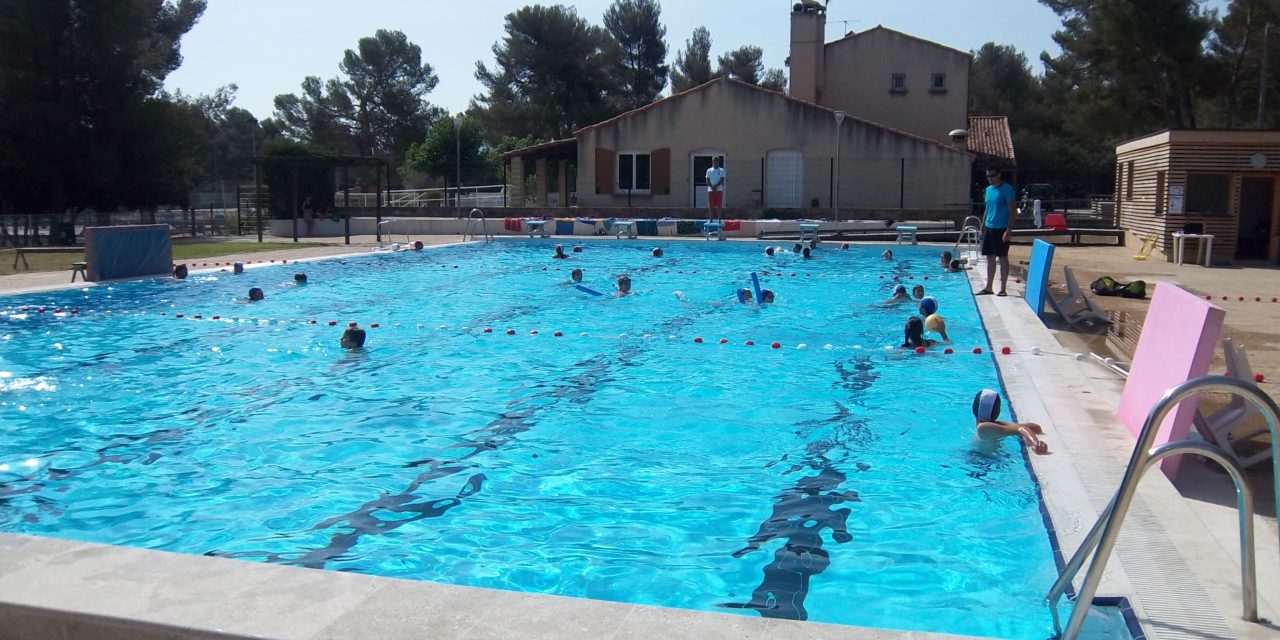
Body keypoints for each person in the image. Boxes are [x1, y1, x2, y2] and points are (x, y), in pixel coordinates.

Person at [978, 167, 1017, 296]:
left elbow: (1012, 212)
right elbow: (987, 209)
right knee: (990, 258)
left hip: (1002, 228)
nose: (990, 178)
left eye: (992, 175)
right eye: (988, 176)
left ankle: (1003, 288)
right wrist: (982, 227)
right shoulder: (989, 190)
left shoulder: (1007, 189)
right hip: (989, 227)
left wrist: (1008, 230)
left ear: (999, 174)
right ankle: (989, 287)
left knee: (1002, 258)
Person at [972, 389, 1048, 455]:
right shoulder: (996, 425)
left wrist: (1035, 442)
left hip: (984, 461)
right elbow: (1036, 428)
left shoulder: (983, 428)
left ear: (974, 408)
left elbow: (1020, 428)